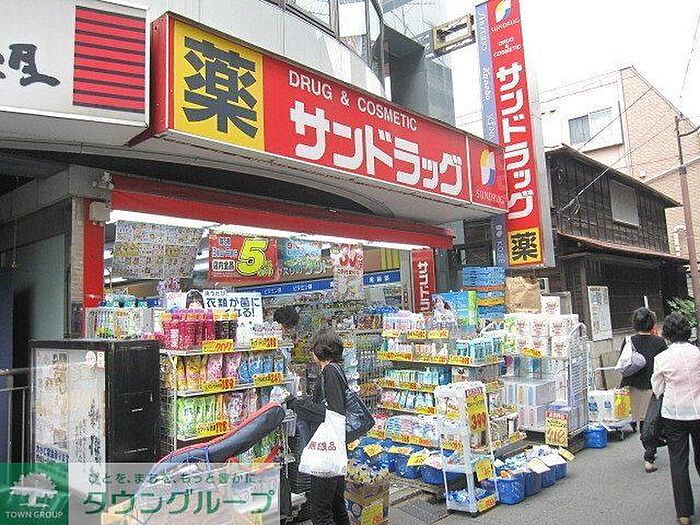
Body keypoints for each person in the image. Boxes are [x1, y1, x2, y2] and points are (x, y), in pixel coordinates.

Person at [288, 329, 349, 525]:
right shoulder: (336, 370)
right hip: (335, 446)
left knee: (321, 512)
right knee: (337, 506)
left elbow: (331, 412)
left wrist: (296, 404)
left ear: (320, 350)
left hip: (326, 450)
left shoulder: (330, 372)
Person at [651, 312, 700, 525]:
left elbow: (657, 388)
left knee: (678, 461)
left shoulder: (662, 358)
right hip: (698, 410)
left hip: (674, 413)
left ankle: (684, 513)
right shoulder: (697, 353)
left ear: (667, 334)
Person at [619, 307, 667, 472]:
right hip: (653, 387)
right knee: (653, 421)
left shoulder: (628, 341)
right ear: (652, 323)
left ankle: (649, 449)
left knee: (642, 420)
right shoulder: (659, 342)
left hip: (633, 386)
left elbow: (623, 363)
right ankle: (649, 456)